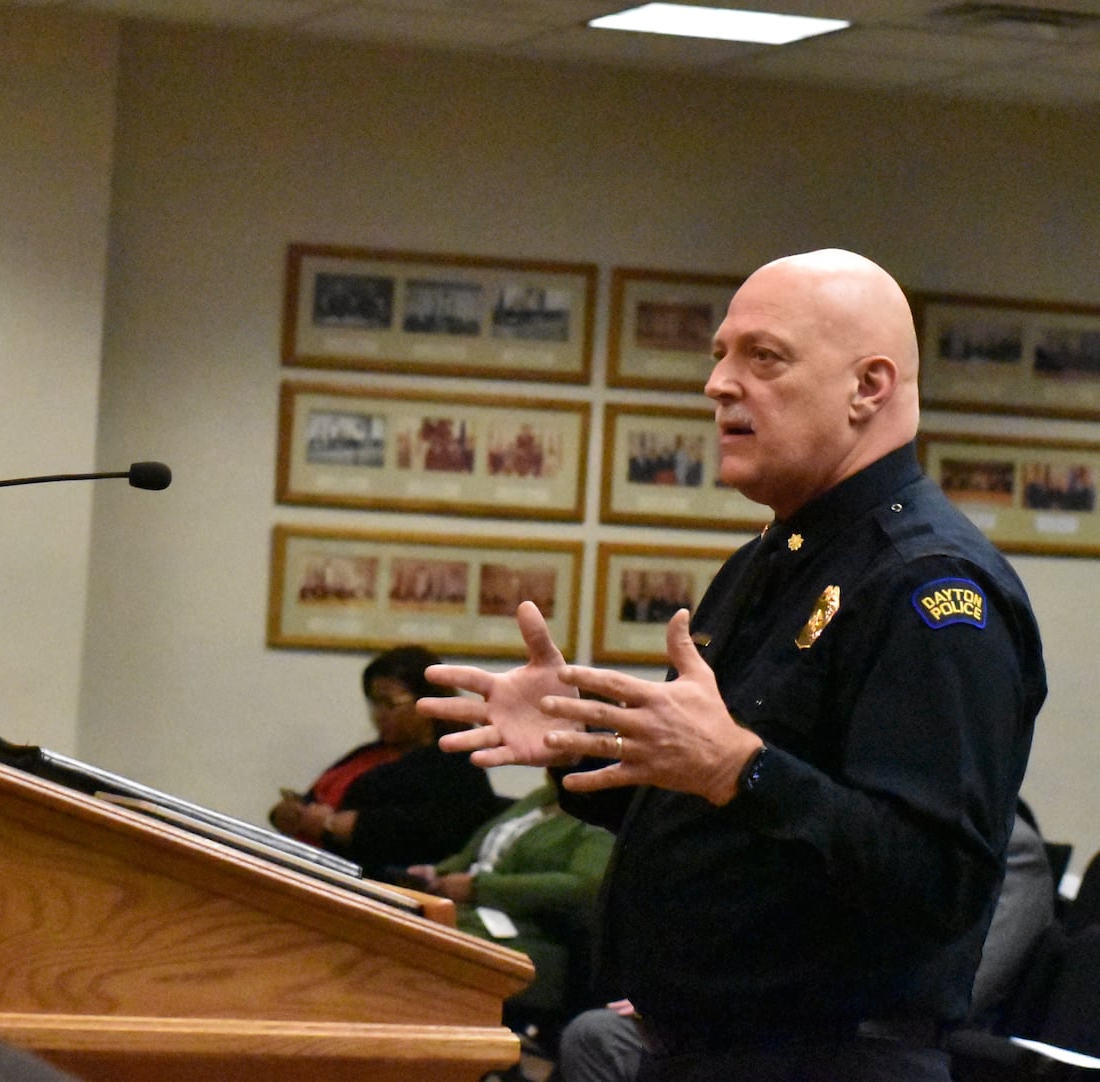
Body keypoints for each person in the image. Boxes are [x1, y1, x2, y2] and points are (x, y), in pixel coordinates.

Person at [420, 249, 1046, 1082]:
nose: (718, 383)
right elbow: (721, 815)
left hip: (826, 1063)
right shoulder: (772, 560)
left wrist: (739, 770)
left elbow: (940, 881)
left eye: (763, 357)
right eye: (719, 354)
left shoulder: (929, 590)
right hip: (695, 1051)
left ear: (870, 387)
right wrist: (582, 748)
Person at [553, 802, 1057, 1082]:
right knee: (599, 1032)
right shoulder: (859, 823)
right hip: (777, 1021)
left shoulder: (1012, 850)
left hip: (882, 1039)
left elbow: (962, 985)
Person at [403, 771, 614, 1041]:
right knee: (390, 931)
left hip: (533, 938)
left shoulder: (603, 816)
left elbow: (582, 887)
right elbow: (477, 851)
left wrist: (480, 887)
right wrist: (438, 873)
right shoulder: (542, 797)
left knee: (420, 951)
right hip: (471, 913)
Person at [269, 645, 498, 881]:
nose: (379, 714)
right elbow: (317, 798)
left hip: (374, 882)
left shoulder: (452, 762)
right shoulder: (368, 753)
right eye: (374, 703)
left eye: (390, 704)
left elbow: (432, 831)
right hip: (310, 867)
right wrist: (287, 813)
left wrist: (339, 827)